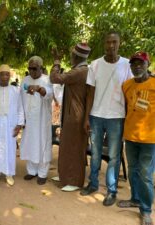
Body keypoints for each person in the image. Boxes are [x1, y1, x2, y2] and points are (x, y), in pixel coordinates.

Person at [81, 31, 133, 206]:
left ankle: (112, 191)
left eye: (114, 42)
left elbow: (129, 95)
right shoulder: (95, 65)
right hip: (96, 116)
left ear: (120, 43)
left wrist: (128, 119)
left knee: (113, 156)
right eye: (108, 42)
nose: (111, 45)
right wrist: (87, 117)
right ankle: (93, 184)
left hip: (117, 118)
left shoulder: (127, 65)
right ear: (104, 44)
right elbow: (89, 94)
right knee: (95, 154)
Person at [116, 52, 155, 225]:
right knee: (133, 171)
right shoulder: (126, 85)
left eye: (141, 63)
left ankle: (146, 210)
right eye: (134, 64)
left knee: (146, 175)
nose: (137, 66)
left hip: (150, 139)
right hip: (131, 137)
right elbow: (127, 107)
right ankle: (135, 199)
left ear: (148, 64)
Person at [50, 43, 91, 191]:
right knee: (67, 146)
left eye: (72, 55)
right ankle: (65, 176)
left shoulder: (80, 72)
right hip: (70, 115)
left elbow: (54, 78)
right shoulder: (80, 70)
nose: (70, 58)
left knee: (75, 148)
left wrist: (56, 62)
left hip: (76, 115)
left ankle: (74, 181)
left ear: (76, 57)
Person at [0, 65, 24, 186]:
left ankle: (9, 174)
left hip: (10, 124)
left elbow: (20, 108)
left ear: (10, 76)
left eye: (7, 74)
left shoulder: (15, 90)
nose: (5, 77)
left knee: (10, 149)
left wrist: (19, 125)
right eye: (2, 74)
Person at [20, 56, 53, 185]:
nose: (32, 71)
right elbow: (21, 98)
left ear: (41, 68)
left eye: (34, 68)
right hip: (29, 120)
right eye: (30, 68)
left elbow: (49, 94)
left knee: (42, 144)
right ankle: (31, 171)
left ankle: (43, 173)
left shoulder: (46, 79)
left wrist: (40, 89)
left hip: (42, 119)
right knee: (30, 144)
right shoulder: (25, 80)